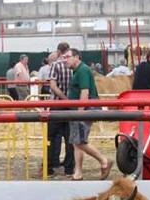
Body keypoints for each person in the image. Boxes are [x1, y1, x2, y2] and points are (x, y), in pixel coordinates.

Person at [65, 48, 112, 181]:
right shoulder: (78, 71)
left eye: (68, 56)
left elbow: (84, 92)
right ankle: (78, 172)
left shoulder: (82, 70)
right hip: (80, 109)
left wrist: (80, 111)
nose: (65, 60)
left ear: (76, 57)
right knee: (77, 142)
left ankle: (104, 161)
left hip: (83, 109)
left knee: (79, 142)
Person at [47, 42, 74, 177]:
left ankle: (49, 167)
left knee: (51, 137)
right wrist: (69, 100)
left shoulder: (56, 65)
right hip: (71, 107)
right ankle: (69, 169)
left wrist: (63, 98)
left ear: (58, 51)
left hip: (57, 105)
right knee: (70, 138)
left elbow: (52, 86)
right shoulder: (73, 65)